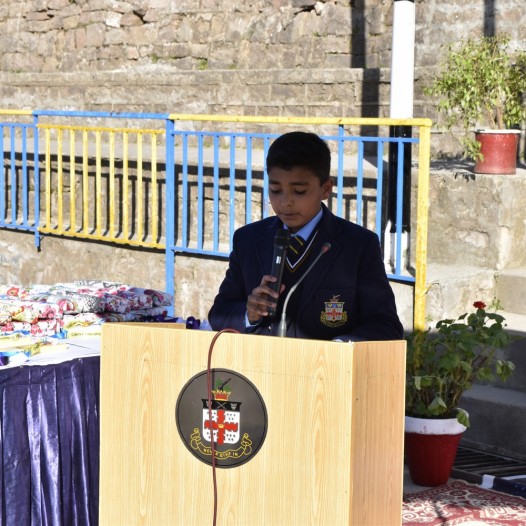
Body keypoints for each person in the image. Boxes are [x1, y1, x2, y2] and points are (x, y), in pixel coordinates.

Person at [208, 131, 404, 341]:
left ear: (326, 189)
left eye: (299, 191)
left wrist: (339, 347)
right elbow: (219, 314)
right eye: (275, 190)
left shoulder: (358, 245)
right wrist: (249, 315)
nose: (286, 202)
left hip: (327, 361)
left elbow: (386, 326)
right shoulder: (248, 240)